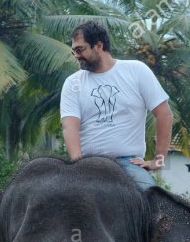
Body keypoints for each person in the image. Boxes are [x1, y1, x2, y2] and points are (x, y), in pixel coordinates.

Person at [60, 20, 173, 190]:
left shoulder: (136, 71)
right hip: (89, 165)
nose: (76, 55)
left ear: (98, 45)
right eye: (73, 51)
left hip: (128, 165)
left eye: (80, 49)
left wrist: (159, 159)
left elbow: (164, 114)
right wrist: (78, 166)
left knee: (154, 205)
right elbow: (69, 126)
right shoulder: (72, 83)